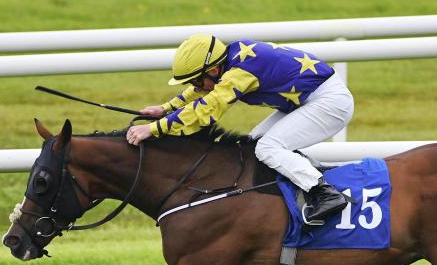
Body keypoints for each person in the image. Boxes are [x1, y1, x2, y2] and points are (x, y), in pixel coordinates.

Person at [126, 34, 354, 224]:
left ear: (214, 70)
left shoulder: (240, 72)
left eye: (195, 81)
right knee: (253, 144)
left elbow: (208, 107)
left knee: (267, 148)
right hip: (309, 99)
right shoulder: (230, 61)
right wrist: (166, 108)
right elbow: (204, 91)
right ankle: (287, 198)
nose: (195, 86)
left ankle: (325, 193)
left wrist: (154, 129)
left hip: (329, 103)